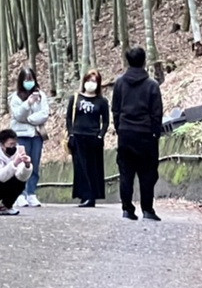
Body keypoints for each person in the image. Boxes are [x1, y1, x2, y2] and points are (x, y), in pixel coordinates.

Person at [110, 47, 164, 221]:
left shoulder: (120, 83)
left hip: (125, 134)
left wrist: (120, 128)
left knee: (126, 173)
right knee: (147, 173)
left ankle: (127, 208)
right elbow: (157, 112)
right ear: (144, 61)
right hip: (146, 134)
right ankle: (147, 209)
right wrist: (155, 133)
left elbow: (115, 109)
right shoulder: (151, 85)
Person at [66, 69, 110, 207]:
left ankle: (91, 196)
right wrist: (71, 133)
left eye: (94, 81)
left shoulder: (102, 101)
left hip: (93, 137)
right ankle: (83, 194)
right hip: (78, 137)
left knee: (93, 168)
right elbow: (68, 117)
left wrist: (100, 135)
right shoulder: (75, 98)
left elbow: (106, 121)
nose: (91, 84)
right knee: (80, 167)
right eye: (89, 80)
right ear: (84, 81)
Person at [9, 66, 50, 207]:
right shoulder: (15, 98)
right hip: (21, 135)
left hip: (36, 134)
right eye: (26, 80)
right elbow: (18, 115)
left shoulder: (41, 95)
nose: (29, 82)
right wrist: (28, 103)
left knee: (34, 164)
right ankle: (20, 194)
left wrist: (30, 120)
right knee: (21, 165)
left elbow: (45, 114)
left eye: (31, 79)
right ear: (21, 81)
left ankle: (32, 193)